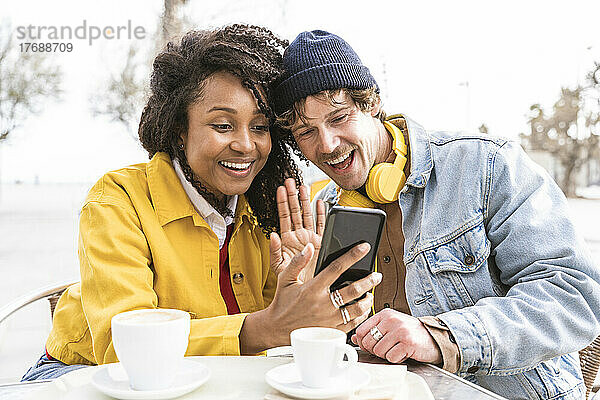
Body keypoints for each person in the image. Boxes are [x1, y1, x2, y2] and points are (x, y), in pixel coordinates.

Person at [21, 25, 380, 381]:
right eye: (223, 125)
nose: (245, 145)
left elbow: (282, 333)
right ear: (181, 128)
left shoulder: (266, 212)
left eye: (259, 127)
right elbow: (123, 351)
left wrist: (310, 290)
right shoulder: (118, 200)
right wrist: (265, 328)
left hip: (210, 380)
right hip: (80, 376)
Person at [272, 30, 600, 399]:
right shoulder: (326, 212)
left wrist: (442, 337)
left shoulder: (486, 164)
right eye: (306, 132)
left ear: (373, 103)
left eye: (339, 118)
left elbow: (575, 296)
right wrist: (307, 302)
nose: (327, 145)